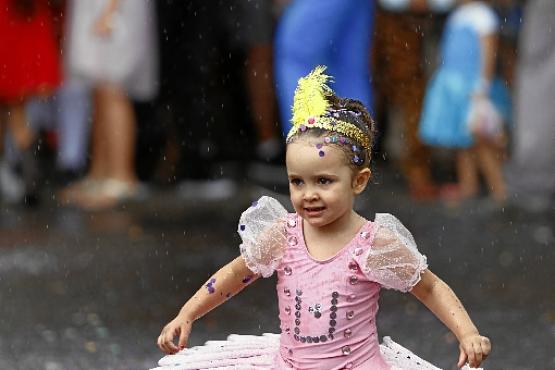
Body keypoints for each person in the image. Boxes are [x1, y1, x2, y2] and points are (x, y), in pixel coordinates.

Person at [154, 67, 491, 370]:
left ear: (358, 181)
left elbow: (429, 287)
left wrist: (467, 333)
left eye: (324, 182)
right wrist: (187, 314)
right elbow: (234, 275)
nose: (308, 194)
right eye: (297, 182)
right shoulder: (282, 234)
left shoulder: (373, 244)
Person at [60, 0, 158, 210]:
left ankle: (121, 175)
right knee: (100, 91)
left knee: (113, 88)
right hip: (97, 8)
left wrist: (110, 10)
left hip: (115, 10)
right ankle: (100, 173)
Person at [418, 0, 509, 205]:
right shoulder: (458, 14)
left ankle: (499, 189)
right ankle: (469, 186)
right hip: (454, 86)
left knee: (480, 140)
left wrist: (482, 86)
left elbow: (489, 53)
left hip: (472, 88)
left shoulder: (482, 16)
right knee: (463, 142)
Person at [0, 0, 62, 205]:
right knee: (17, 111)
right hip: (17, 17)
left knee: (16, 108)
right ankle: (28, 180)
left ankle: (27, 181)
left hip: (14, 17)